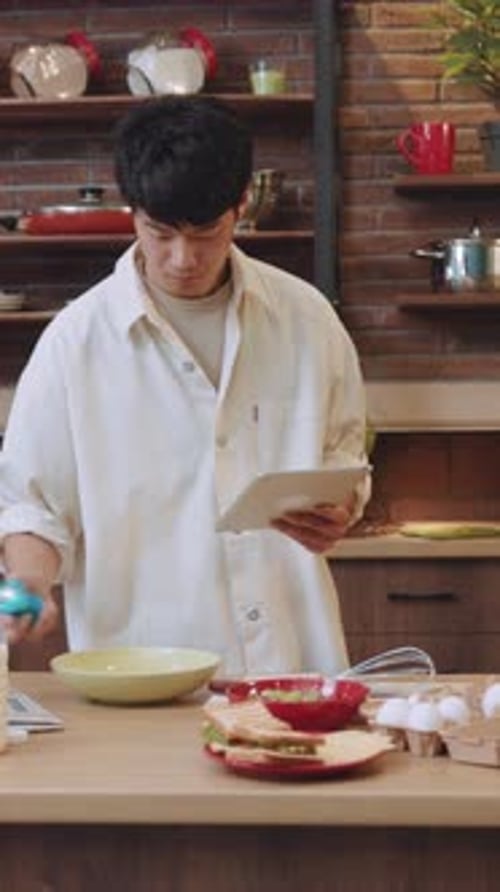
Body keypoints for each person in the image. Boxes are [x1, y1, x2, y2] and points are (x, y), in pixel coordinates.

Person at [0, 95, 370, 677]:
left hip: (295, 666)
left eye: (207, 231)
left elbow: (344, 453)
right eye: (161, 232)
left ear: (240, 206)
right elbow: (33, 506)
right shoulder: (75, 343)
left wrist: (339, 506)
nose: (182, 258)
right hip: (144, 673)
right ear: (133, 212)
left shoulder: (306, 319)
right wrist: (29, 581)